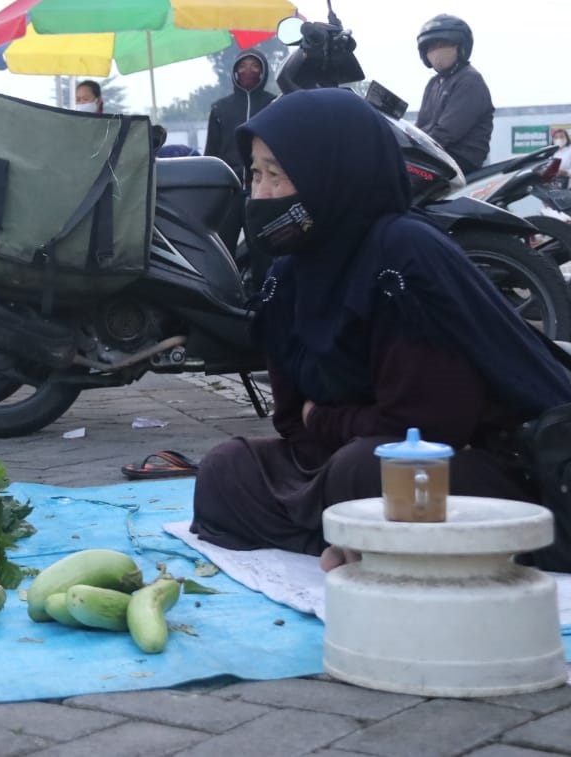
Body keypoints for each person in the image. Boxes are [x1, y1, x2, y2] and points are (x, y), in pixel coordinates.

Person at [189, 88, 571, 571]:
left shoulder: (403, 256)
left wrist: (322, 422)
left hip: (490, 467)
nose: (259, 194)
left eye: (276, 175)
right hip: (350, 462)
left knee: (371, 472)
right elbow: (291, 420)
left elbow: (429, 426)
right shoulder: (289, 274)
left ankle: (354, 534)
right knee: (227, 471)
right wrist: (321, 433)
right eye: (255, 174)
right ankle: (355, 537)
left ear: (331, 175)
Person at [414, 14, 493, 175]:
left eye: (443, 44)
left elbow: (447, 133)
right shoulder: (434, 84)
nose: (437, 51)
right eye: (431, 47)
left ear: (460, 47)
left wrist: (417, 148)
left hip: (459, 160)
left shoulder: (469, 80)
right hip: (438, 155)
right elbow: (421, 126)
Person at [203, 49, 276, 186]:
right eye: (242, 66)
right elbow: (211, 153)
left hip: (265, 184)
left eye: (254, 65)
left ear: (262, 71)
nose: (248, 70)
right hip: (228, 187)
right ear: (235, 72)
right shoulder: (220, 108)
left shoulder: (274, 104)